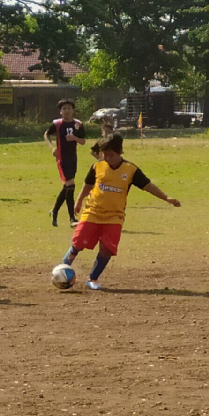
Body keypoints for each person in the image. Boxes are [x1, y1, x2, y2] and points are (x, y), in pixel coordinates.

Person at [61, 134, 181, 290]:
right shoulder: (97, 166)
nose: (107, 157)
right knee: (78, 243)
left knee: (107, 249)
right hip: (92, 212)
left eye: (110, 154)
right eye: (104, 154)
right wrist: (78, 201)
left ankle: (93, 278)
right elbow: (87, 185)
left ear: (120, 153)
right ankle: (62, 269)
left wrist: (166, 198)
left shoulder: (130, 170)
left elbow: (148, 186)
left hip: (114, 216)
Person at [44, 99, 87, 227]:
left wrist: (75, 138)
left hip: (73, 158)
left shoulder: (78, 124)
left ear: (73, 110)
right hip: (62, 159)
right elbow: (46, 134)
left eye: (69, 108)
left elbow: (83, 141)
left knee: (67, 187)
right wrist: (52, 147)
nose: (67, 111)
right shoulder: (57, 124)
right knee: (71, 185)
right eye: (64, 109)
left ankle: (54, 211)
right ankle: (72, 218)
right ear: (60, 111)